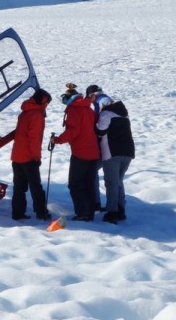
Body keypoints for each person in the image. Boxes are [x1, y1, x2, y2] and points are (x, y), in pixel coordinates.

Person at [0, 88, 52, 221]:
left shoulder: (24, 112)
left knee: (19, 187)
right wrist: (36, 157)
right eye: (47, 102)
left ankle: (17, 213)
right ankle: (41, 212)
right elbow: (34, 139)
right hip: (29, 157)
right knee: (36, 187)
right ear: (43, 100)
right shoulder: (37, 115)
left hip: (17, 156)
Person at [50, 82, 100, 221]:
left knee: (75, 184)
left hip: (81, 153)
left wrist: (58, 140)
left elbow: (73, 131)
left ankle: (82, 213)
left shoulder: (73, 110)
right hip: (93, 152)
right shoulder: (88, 108)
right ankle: (90, 212)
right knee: (88, 183)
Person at [95, 98, 135, 223]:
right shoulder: (124, 114)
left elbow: (100, 131)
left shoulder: (106, 113)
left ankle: (112, 212)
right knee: (118, 182)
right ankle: (121, 209)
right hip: (128, 152)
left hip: (112, 153)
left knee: (111, 183)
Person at [85, 84, 113, 211]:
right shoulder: (103, 100)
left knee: (94, 171)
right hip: (110, 144)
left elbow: (104, 123)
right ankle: (113, 206)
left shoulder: (103, 102)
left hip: (106, 144)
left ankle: (97, 203)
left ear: (92, 95)